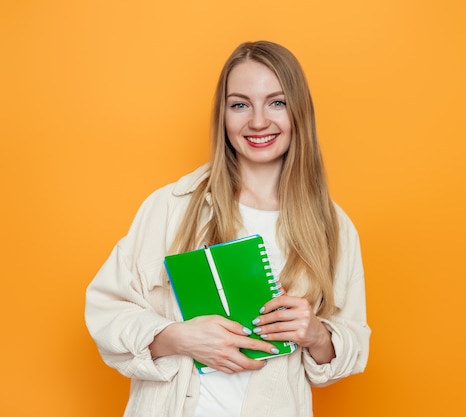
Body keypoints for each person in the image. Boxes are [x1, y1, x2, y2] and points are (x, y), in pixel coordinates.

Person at [85, 40, 370, 417]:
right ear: (222, 116)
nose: (257, 122)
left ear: (298, 111)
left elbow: (351, 349)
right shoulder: (171, 205)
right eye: (240, 104)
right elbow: (106, 311)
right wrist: (178, 338)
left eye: (276, 102)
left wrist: (316, 334)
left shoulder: (333, 227)